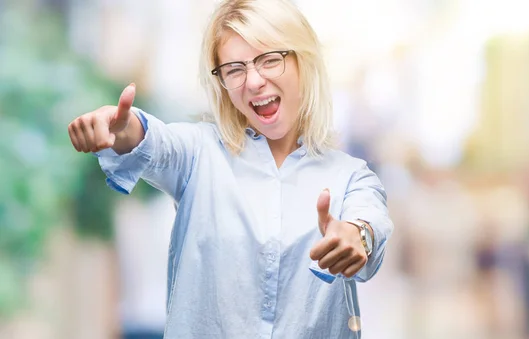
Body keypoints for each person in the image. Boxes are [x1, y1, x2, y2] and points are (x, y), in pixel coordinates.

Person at [67, 0, 393, 337]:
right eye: (235, 69)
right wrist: (122, 128)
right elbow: (155, 143)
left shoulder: (351, 175)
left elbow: (370, 222)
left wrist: (357, 236)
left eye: (270, 59)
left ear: (302, 60)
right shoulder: (198, 153)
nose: (253, 82)